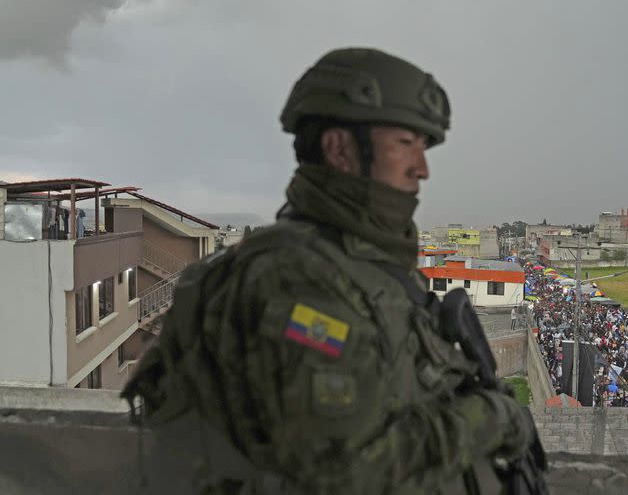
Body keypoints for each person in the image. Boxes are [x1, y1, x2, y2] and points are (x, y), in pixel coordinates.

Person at [122, 48, 542, 494]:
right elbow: (344, 470)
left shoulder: (360, 265)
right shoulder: (299, 279)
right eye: (406, 144)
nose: (422, 168)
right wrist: (493, 418)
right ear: (341, 149)